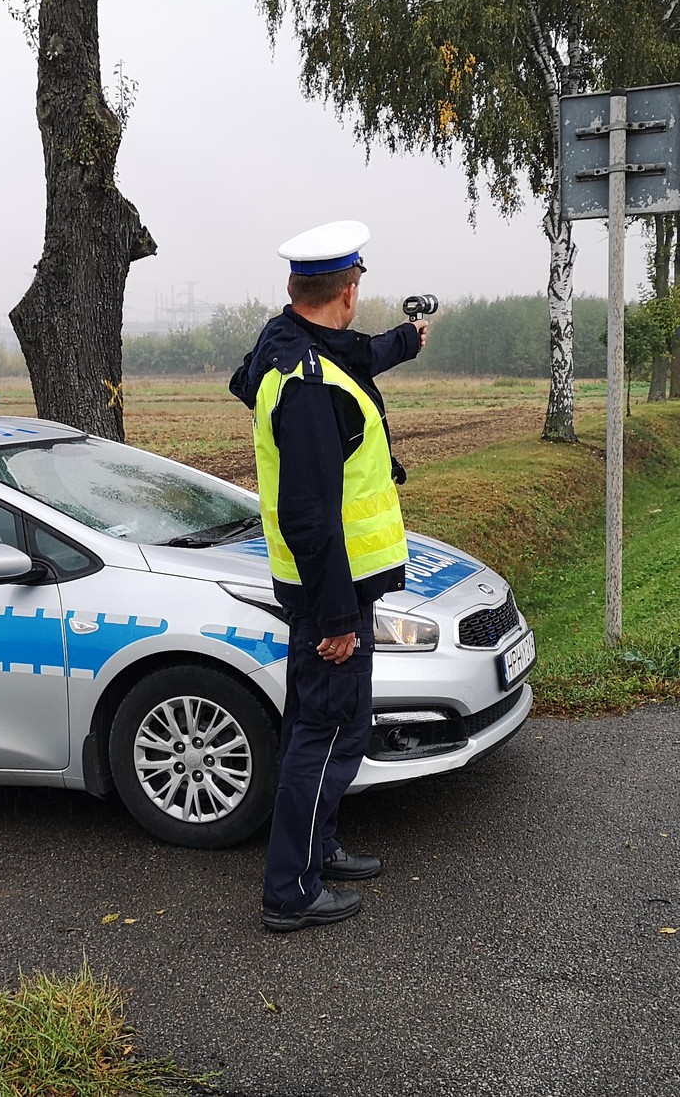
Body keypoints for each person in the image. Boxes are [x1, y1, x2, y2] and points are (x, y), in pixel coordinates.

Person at [228, 219, 428, 932]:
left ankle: (319, 847)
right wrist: (338, 616)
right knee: (318, 731)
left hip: (340, 585)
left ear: (295, 291)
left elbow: (354, 354)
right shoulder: (309, 385)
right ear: (346, 293)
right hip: (327, 592)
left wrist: (403, 342)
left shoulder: (292, 348)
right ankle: (290, 892)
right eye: (356, 288)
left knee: (340, 725)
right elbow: (309, 513)